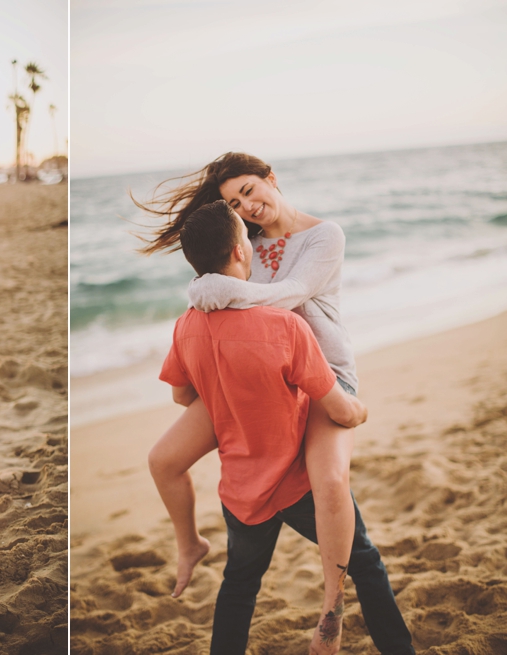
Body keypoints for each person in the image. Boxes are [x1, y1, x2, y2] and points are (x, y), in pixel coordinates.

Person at [159, 200, 414, 654]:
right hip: (297, 486)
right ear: (240, 251)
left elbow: (182, 395)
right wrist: (360, 412)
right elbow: (337, 408)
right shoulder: (283, 326)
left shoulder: (186, 327)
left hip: (240, 492)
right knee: (366, 564)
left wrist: (228, 386)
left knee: (238, 587)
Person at [140, 152, 360, 649]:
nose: (247, 205)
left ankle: (331, 614)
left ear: (270, 179)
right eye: (234, 203)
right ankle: (189, 544)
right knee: (162, 459)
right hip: (259, 374)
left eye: (249, 190)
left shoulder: (325, 235)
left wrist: (212, 289)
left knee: (329, 483)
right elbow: (227, 308)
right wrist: (210, 305)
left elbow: (292, 294)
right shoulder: (244, 245)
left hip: (318, 370)